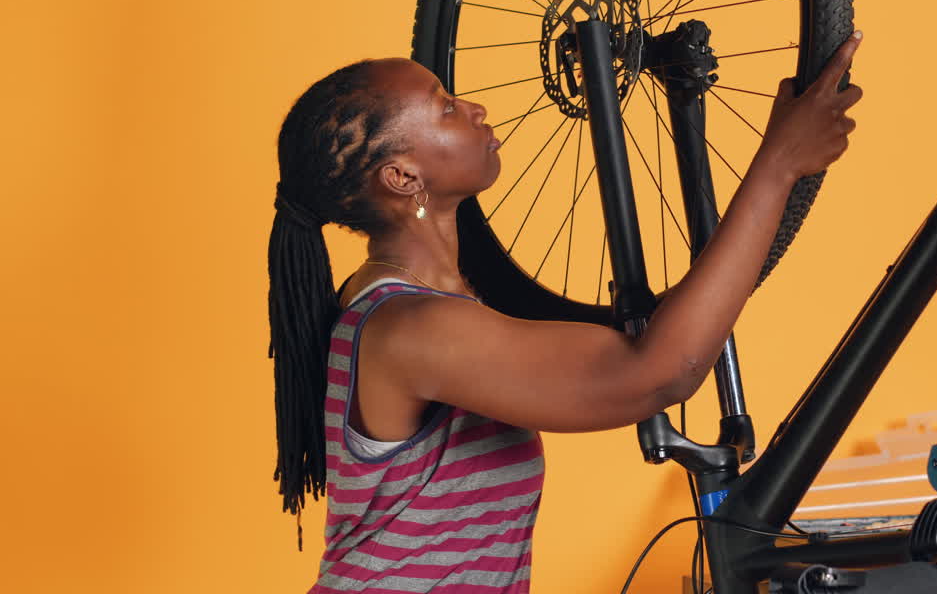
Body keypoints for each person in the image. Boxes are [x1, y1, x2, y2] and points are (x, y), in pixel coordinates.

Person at [266, 32, 864, 593]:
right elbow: (662, 371)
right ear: (402, 177)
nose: (473, 108)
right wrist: (779, 163)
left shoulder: (423, 305)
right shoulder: (411, 329)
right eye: (445, 106)